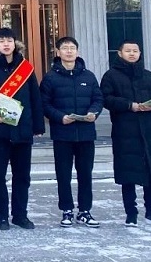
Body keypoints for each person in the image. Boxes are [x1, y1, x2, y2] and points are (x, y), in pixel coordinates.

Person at [0, 28, 45, 231]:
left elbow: (35, 97)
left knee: (22, 176)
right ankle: (2, 216)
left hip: (23, 130)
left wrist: (38, 126)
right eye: (1, 41)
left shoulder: (25, 68)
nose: (6, 44)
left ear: (15, 43)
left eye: (9, 41)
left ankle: (20, 215)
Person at [99, 40, 151, 227]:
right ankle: (131, 213)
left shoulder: (149, 76)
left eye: (135, 51)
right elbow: (106, 99)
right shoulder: (111, 76)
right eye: (128, 51)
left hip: (149, 130)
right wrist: (129, 105)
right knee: (128, 173)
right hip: (125, 130)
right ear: (120, 53)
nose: (132, 54)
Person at [39, 36, 104, 228]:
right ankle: (66, 210)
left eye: (72, 48)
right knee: (63, 174)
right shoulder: (50, 77)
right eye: (65, 48)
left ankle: (85, 211)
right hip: (62, 133)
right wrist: (60, 117)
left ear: (77, 51)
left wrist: (94, 112)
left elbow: (98, 99)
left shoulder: (88, 76)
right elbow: (44, 104)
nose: (69, 51)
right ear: (58, 52)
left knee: (85, 174)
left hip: (86, 133)